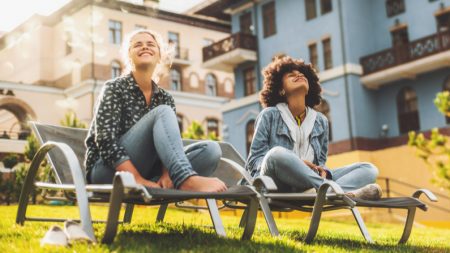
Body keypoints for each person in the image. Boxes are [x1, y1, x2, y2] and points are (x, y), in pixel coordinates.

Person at [85, 29, 227, 192]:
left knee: (211, 150)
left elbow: (168, 143)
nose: (145, 47)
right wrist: (136, 179)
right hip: (107, 172)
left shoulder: (165, 97)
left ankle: (173, 180)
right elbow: (105, 140)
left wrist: (166, 175)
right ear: (128, 56)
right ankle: (185, 178)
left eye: (151, 44)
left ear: (160, 55)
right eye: (138, 45)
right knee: (163, 112)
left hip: (149, 172)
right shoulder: (114, 88)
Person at [245, 56, 382, 200]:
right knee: (276, 154)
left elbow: (320, 164)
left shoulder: (321, 121)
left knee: (368, 169)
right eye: (291, 75)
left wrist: (324, 172)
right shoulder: (269, 115)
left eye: (302, 75)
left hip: (308, 184)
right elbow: (254, 160)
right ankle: (332, 192)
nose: (298, 75)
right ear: (280, 90)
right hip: (276, 183)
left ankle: (323, 192)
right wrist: (296, 162)